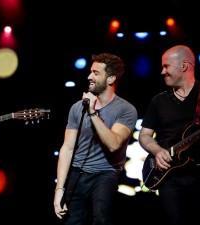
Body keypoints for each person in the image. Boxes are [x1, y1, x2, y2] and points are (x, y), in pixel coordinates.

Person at [139, 45, 200, 225]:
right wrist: (158, 151)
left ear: (184, 66)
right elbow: (144, 135)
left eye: (166, 66)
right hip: (170, 177)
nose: (162, 71)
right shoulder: (158, 100)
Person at [53, 53, 137, 225]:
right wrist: (59, 188)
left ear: (111, 78)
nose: (89, 76)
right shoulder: (77, 108)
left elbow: (113, 144)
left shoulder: (126, 110)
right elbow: (67, 148)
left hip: (106, 173)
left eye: (96, 73)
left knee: (101, 219)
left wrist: (92, 112)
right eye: (90, 72)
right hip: (77, 171)